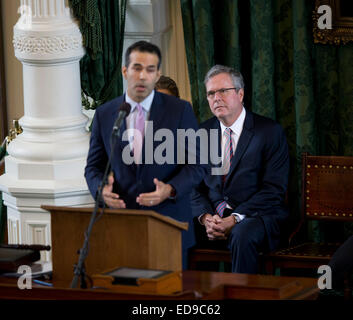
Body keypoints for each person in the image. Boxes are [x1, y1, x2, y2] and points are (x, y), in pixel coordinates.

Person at [85, 41, 205, 269]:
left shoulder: (180, 110)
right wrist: (101, 190)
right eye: (137, 68)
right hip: (121, 226)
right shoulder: (105, 114)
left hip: (169, 225)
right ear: (125, 71)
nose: (142, 76)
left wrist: (170, 189)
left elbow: (198, 165)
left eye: (150, 70)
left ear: (157, 73)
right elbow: (93, 167)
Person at [191, 65, 290, 274]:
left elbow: (273, 190)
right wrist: (206, 218)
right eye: (210, 93)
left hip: (257, 215)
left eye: (222, 91)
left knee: (242, 234)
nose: (216, 98)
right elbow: (192, 187)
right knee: (176, 228)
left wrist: (234, 218)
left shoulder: (269, 132)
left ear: (240, 93)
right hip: (213, 215)